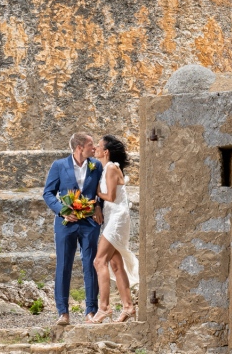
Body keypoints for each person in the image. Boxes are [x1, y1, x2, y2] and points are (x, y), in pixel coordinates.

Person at [42, 132, 104, 325]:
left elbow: (101, 190)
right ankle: (63, 312)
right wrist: (62, 210)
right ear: (79, 148)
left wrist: (98, 206)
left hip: (89, 224)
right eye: (90, 145)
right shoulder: (59, 166)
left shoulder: (97, 166)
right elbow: (48, 193)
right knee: (64, 265)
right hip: (66, 224)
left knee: (91, 265)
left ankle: (91, 311)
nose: (93, 148)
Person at [89, 135, 139, 323]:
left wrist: (95, 194)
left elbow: (109, 196)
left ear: (106, 151)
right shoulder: (107, 168)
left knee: (99, 260)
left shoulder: (110, 168)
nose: (95, 148)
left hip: (117, 218)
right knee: (116, 264)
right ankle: (128, 307)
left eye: (99, 146)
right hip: (113, 217)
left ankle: (104, 308)